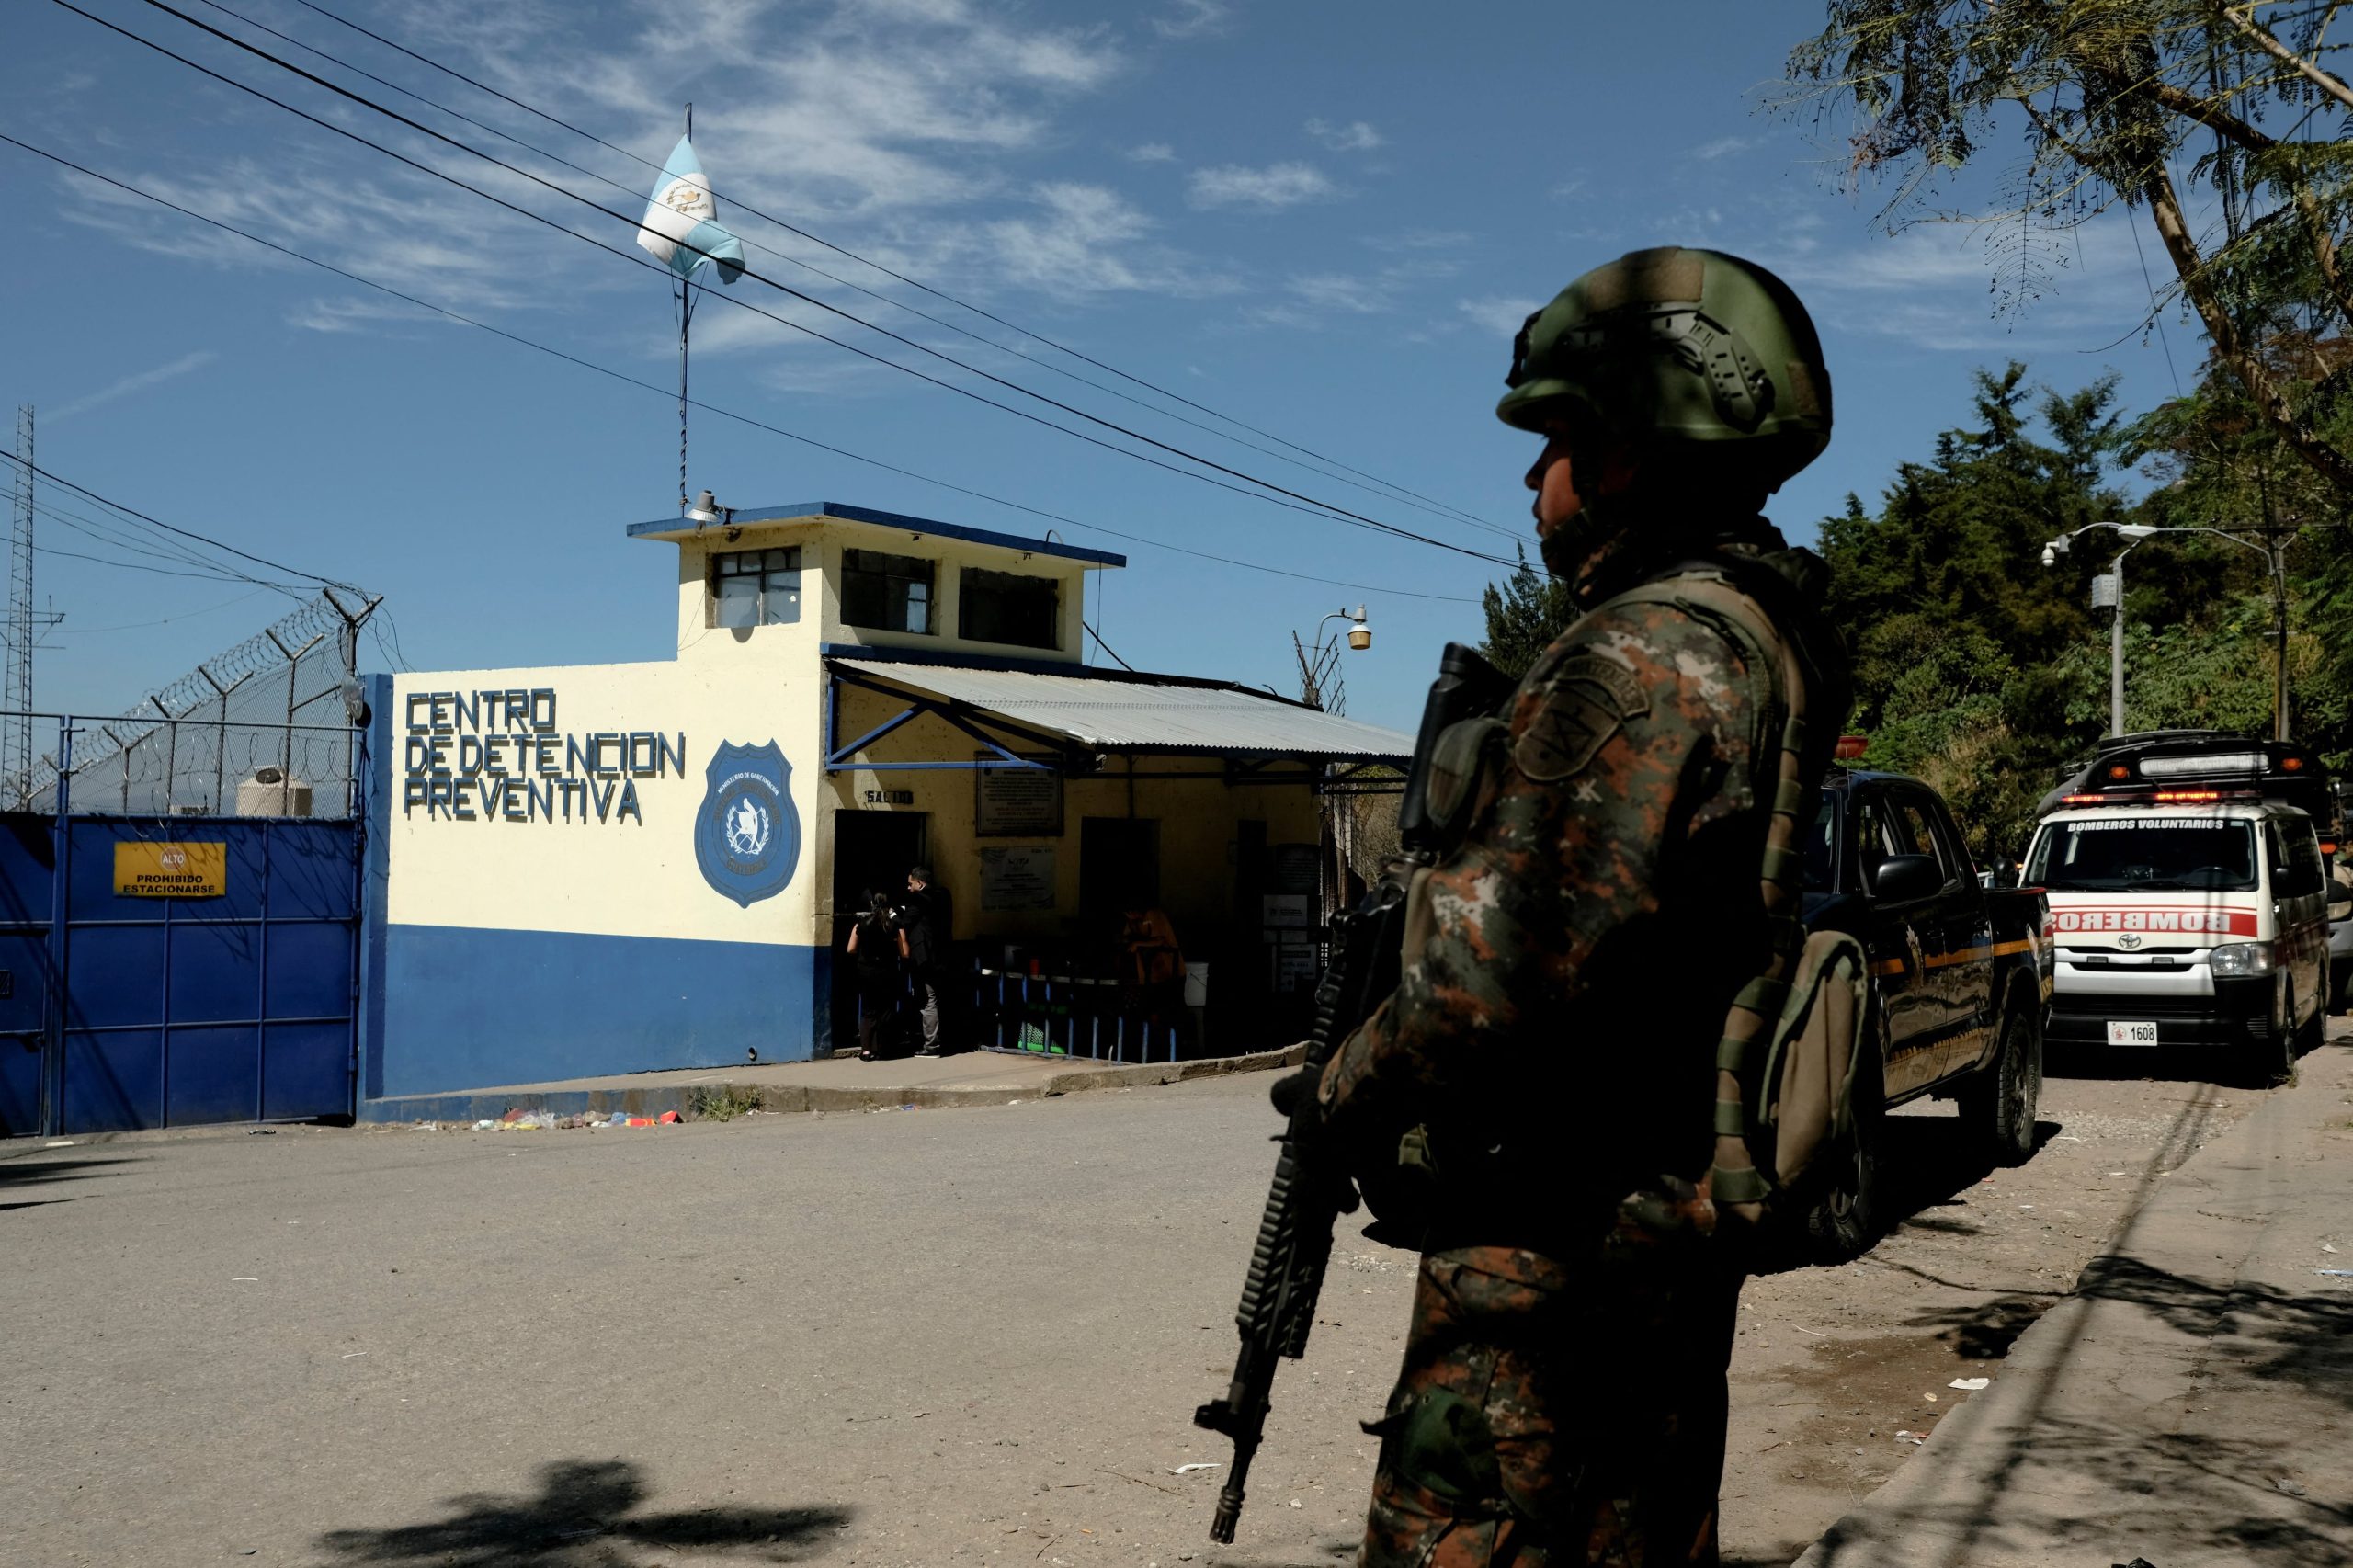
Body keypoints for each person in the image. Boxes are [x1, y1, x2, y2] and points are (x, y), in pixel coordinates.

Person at [1285, 247, 1851, 1565]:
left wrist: (1336, 1094)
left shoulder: (1637, 657)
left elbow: (1484, 983)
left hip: (1553, 1265)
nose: (1530, 480)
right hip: (1650, 1249)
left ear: (1629, 452)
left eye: (1553, 441)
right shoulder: (1760, 636)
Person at [845, 892, 908, 1061]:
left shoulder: (861, 924)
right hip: (887, 972)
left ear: (872, 905)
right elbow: (905, 952)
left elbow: (850, 949)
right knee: (885, 1010)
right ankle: (883, 1048)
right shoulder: (894, 925)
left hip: (866, 972)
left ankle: (866, 1050)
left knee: (867, 1010)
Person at [902, 866, 954, 1056]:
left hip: (924, 958)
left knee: (928, 1000)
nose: (908, 888)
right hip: (942, 956)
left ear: (920, 883)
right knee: (936, 998)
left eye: (910, 884)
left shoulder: (918, 900)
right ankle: (934, 1040)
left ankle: (931, 1045)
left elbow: (904, 923)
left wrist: (893, 913)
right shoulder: (943, 897)